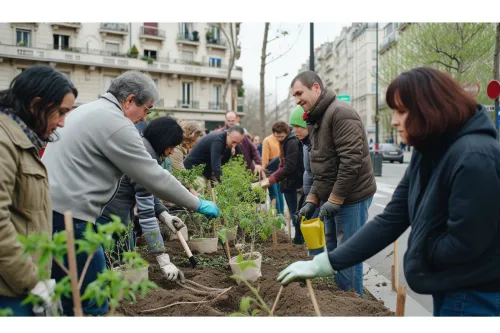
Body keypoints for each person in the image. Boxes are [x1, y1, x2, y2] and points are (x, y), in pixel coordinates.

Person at [278, 67, 500, 316]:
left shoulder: (474, 158)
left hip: (475, 296)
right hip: (451, 289)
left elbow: (466, 244)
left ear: (432, 109)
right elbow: (392, 218)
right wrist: (328, 262)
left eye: (401, 111)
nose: (393, 120)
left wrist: (417, 251)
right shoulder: (428, 152)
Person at [42, 71, 219, 316]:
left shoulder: (89, 111)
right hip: (70, 218)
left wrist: (164, 213)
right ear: (129, 100)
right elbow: (153, 176)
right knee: (92, 300)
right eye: (146, 110)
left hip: (54, 210)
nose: (144, 118)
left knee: (70, 293)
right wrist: (197, 203)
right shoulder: (115, 123)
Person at [0, 65, 77, 316]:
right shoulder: (4, 142)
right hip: (9, 290)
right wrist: (30, 280)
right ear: (36, 105)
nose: (63, 123)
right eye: (61, 112)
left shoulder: (24, 141)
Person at [292, 71, 376, 297]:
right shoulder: (315, 119)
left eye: (300, 93)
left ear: (316, 88)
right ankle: (343, 297)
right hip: (333, 197)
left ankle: (353, 303)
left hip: (353, 197)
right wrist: (312, 200)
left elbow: (351, 162)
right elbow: (322, 167)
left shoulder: (341, 113)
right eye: (294, 96)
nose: (297, 99)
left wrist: (335, 199)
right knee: (335, 252)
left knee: (348, 254)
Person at [97, 117, 187, 259]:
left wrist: (164, 214)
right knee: (116, 261)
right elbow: (146, 214)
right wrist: (161, 256)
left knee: (125, 256)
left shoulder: (144, 148)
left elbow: (145, 189)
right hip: (110, 217)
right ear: (163, 141)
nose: (171, 152)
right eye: (172, 147)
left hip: (117, 215)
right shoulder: (144, 157)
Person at [254, 121, 304, 244]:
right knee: (294, 211)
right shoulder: (286, 141)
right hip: (291, 181)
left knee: (295, 211)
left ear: (287, 132)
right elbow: (283, 160)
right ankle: (299, 237)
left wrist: (271, 179)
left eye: (281, 136)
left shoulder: (291, 142)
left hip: (294, 181)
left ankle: (299, 238)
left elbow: (289, 166)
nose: (279, 139)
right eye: (277, 137)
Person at [288, 105, 321, 254]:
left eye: (298, 127)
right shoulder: (305, 143)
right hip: (310, 191)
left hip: (320, 193)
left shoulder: (317, 144)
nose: (295, 131)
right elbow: (308, 172)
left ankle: (317, 258)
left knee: (317, 230)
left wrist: (312, 198)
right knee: (307, 224)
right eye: (293, 127)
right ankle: (314, 255)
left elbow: (319, 175)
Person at [262, 132, 285, 215]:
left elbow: (265, 159)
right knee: (279, 193)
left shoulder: (267, 140)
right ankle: (281, 215)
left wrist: (263, 173)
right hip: (281, 168)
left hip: (271, 170)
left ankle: (278, 216)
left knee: (274, 194)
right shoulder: (282, 139)